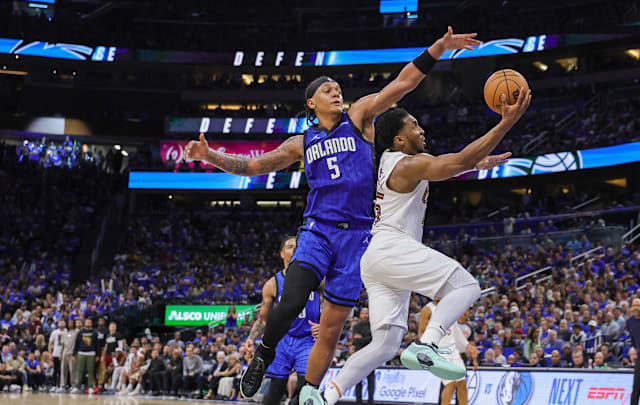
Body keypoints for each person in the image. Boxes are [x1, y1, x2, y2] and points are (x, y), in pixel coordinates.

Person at [185, 26, 482, 400]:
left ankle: (308, 394)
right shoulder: (301, 142)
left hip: (359, 237)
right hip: (318, 230)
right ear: (312, 103)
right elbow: (254, 167)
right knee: (291, 301)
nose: (336, 91)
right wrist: (211, 157)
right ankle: (264, 353)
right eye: (327, 89)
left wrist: (437, 49)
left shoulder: (359, 118)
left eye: (337, 87)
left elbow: (402, 84)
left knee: (330, 329)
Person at [301, 87, 530, 404]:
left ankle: (325, 396)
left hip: (378, 257)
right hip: (392, 248)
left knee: (385, 344)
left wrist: (474, 166)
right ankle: (429, 343)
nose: (421, 130)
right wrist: (505, 124)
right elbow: (455, 160)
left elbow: (449, 166)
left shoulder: (395, 164)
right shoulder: (405, 164)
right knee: (466, 286)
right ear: (398, 139)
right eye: (414, 126)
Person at [243, 236, 321, 405]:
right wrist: (250, 339)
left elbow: (337, 304)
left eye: (297, 246)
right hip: (282, 341)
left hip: (308, 339)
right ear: (281, 253)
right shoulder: (272, 284)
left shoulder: (318, 279)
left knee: (305, 392)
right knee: (274, 391)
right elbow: (263, 320)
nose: (294, 249)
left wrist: (323, 325)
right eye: (289, 246)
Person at [420, 301, 479, 405]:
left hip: (453, 351)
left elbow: (456, 331)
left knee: (462, 383)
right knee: (450, 384)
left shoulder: (450, 307)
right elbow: (421, 331)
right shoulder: (428, 309)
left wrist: (467, 345)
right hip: (438, 352)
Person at [352, 308, 373, 405]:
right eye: (363, 313)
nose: (365, 315)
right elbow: (356, 341)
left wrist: (362, 338)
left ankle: (370, 401)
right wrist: (367, 338)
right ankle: (358, 401)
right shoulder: (356, 326)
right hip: (359, 355)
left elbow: (373, 340)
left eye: (366, 313)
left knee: (371, 381)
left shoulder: (373, 325)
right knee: (358, 380)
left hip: (371, 355)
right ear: (360, 315)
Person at [72, 318, 98, 394]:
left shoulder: (94, 332)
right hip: (81, 353)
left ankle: (90, 387)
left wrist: (98, 355)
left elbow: (97, 344)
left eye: (89, 322)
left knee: (90, 371)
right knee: (80, 370)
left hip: (91, 353)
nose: (88, 323)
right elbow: (76, 344)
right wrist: (74, 354)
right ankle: (77, 387)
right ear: (84, 323)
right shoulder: (80, 332)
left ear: (91, 323)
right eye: (87, 322)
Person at [48, 319, 66, 391]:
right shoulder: (55, 332)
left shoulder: (66, 332)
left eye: (62, 322)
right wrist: (50, 353)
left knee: (62, 371)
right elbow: (50, 343)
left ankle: (61, 385)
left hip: (64, 354)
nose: (61, 323)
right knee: (55, 370)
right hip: (56, 353)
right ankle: (54, 385)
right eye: (60, 322)